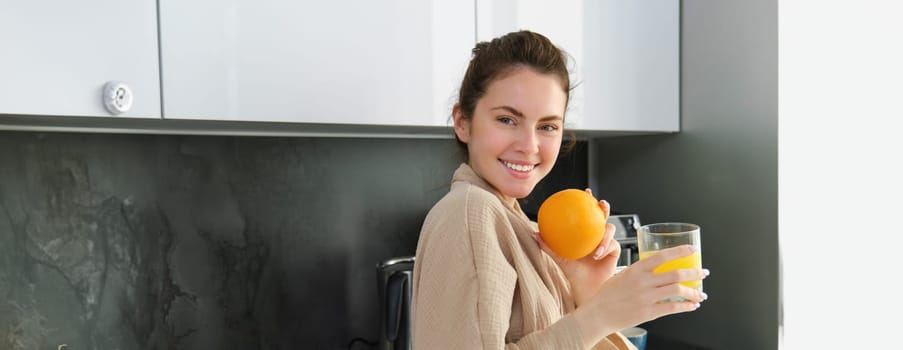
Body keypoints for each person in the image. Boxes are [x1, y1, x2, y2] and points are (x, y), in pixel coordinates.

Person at [410, 30, 709, 349]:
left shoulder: (516, 222)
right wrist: (598, 314)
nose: (529, 145)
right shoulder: (470, 213)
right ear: (462, 122)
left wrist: (583, 290)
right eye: (507, 120)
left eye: (547, 126)